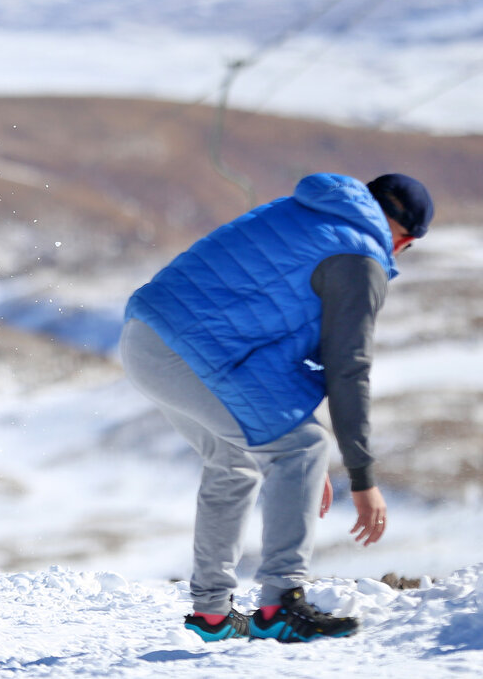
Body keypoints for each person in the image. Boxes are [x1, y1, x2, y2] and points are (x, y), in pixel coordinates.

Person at [121, 172, 433, 642]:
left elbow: (264, 352)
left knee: (235, 460)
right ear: (402, 236)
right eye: (405, 248)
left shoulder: (305, 213)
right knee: (302, 448)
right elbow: (347, 369)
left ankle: (211, 615)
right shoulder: (359, 257)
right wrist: (362, 477)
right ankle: (281, 606)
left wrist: (293, 446)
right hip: (190, 353)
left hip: (144, 338)